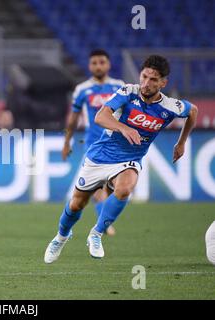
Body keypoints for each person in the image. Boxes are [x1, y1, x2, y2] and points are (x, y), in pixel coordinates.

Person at [44, 55, 198, 262]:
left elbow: (193, 111)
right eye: (144, 76)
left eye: (153, 79)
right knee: (76, 205)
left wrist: (181, 142)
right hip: (100, 156)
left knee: (125, 188)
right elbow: (100, 116)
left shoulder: (171, 106)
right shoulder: (128, 91)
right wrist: (124, 128)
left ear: (163, 82)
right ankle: (61, 237)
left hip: (130, 159)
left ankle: (96, 234)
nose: (146, 83)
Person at [62, 49, 124, 236]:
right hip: (93, 144)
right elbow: (73, 118)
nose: (98, 66)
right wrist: (67, 141)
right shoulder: (82, 89)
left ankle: (102, 221)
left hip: (116, 144)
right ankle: (104, 224)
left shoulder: (119, 87)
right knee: (97, 187)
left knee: (112, 187)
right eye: (94, 63)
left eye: (101, 62)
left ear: (108, 64)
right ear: (89, 66)